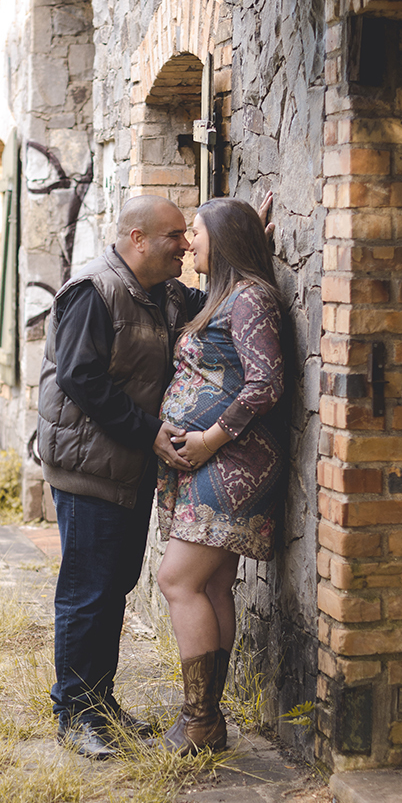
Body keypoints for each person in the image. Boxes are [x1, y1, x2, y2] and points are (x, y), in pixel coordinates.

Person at [37, 195, 206, 759]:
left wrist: (236, 245)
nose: (184, 246)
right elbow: (82, 379)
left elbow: (223, 308)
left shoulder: (166, 294)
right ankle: (75, 715)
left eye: (189, 236)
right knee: (88, 592)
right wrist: (149, 432)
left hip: (127, 465)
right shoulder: (93, 290)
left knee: (113, 588)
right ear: (137, 238)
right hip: (89, 466)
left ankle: (98, 701)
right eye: (173, 236)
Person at [151, 196, 286, 755]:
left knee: (176, 580)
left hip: (232, 462)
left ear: (222, 241)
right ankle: (208, 721)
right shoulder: (226, 296)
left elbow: (266, 384)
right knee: (210, 584)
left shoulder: (251, 298)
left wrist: (207, 438)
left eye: (197, 233)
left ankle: (200, 719)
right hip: (211, 464)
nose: (188, 243)